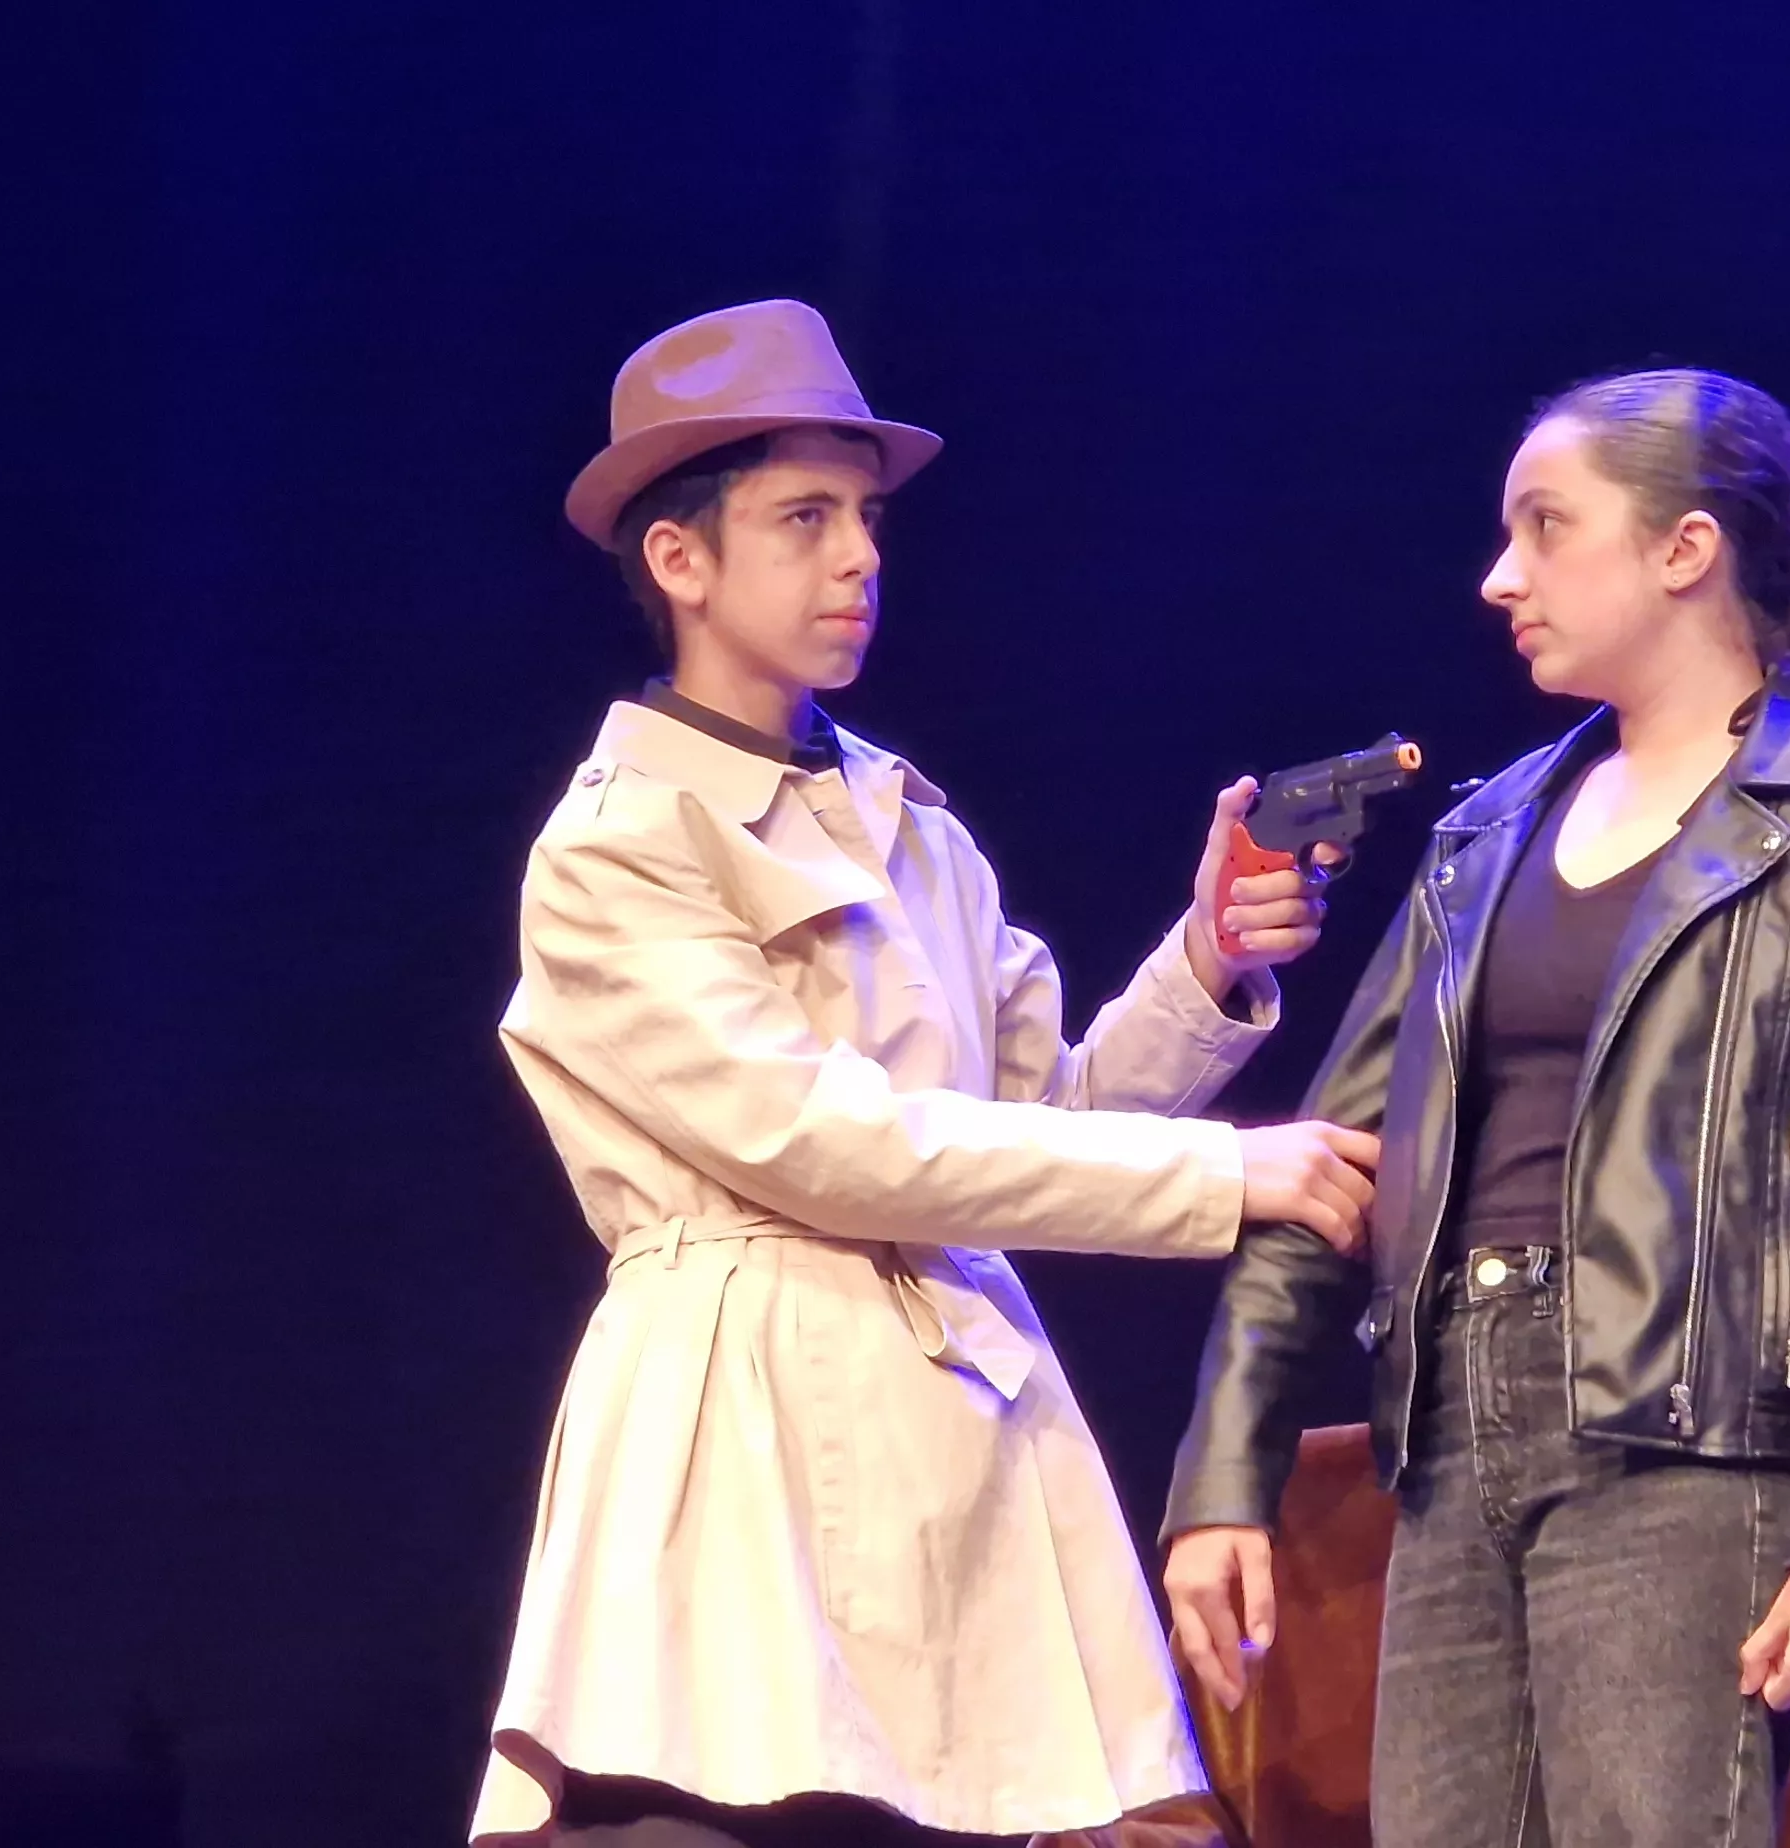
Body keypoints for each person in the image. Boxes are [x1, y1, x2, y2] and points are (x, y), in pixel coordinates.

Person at [475, 300, 1380, 1847]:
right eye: (804, 519)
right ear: (681, 561)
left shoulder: (906, 821)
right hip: (744, 1412)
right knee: (744, 1798)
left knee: (1106, 1811)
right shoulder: (618, 843)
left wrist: (1211, 956)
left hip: (962, 1412)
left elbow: (1047, 1121)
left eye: (868, 518)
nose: (858, 558)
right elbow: (834, 1146)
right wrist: (1229, 1179)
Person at [1160, 366, 1790, 1846]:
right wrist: (1226, 1473)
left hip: (1682, 1439)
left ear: (1684, 551)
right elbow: (1329, 1170)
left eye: (1546, 529)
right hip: (1458, 1422)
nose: (1501, 577)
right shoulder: (1486, 835)